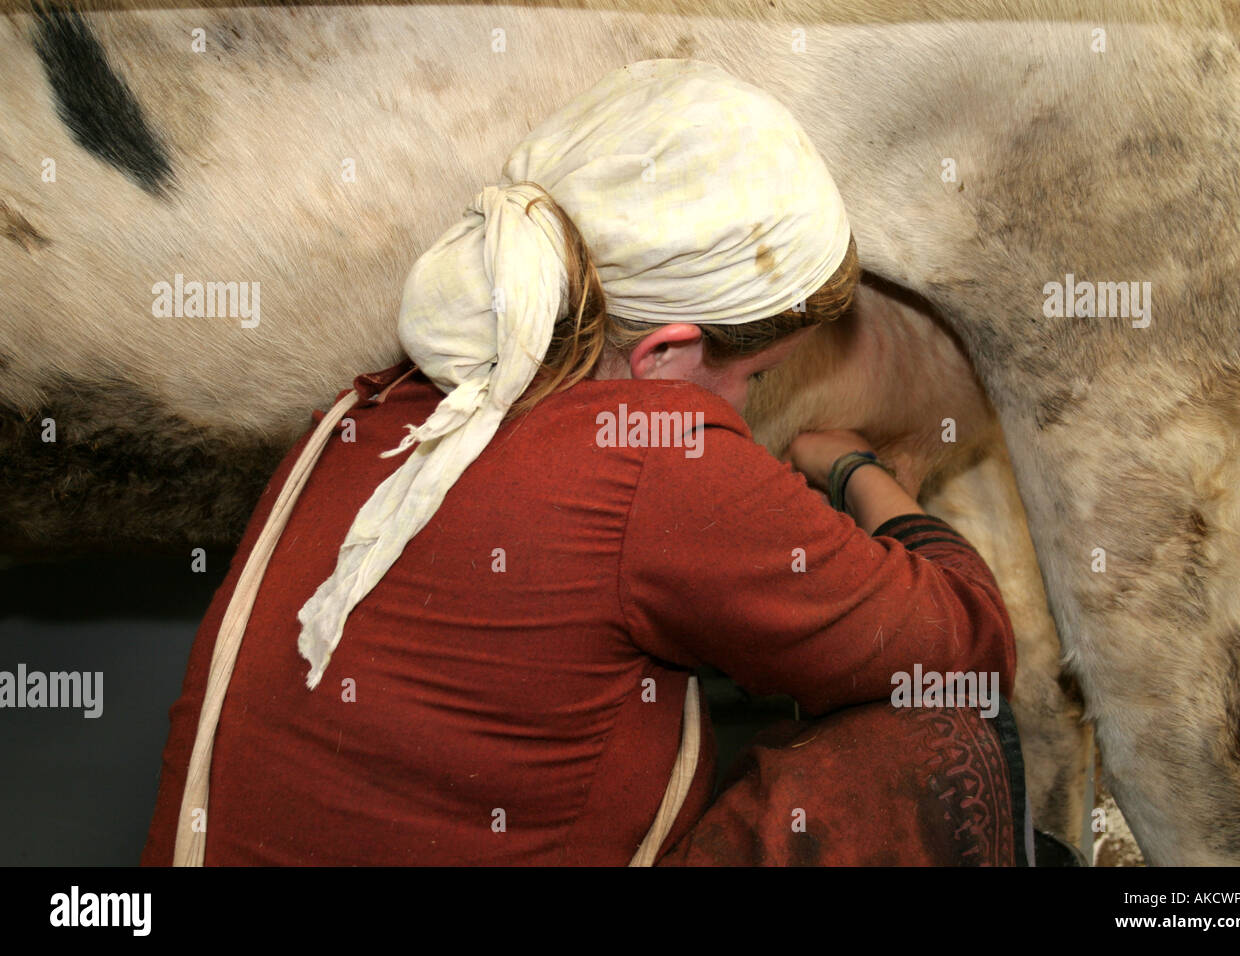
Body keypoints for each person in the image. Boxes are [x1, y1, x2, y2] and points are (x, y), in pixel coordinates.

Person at [141, 58, 1022, 866]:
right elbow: (968, 647)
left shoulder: (370, 409)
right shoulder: (656, 458)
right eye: (758, 375)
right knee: (937, 739)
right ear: (664, 357)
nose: (751, 406)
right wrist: (854, 470)